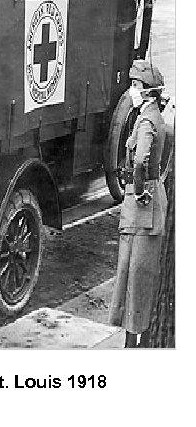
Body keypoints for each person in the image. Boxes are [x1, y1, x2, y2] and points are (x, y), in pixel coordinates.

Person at [109, 60, 168, 348]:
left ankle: (133, 342)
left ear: (147, 91)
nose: (131, 89)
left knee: (135, 275)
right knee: (138, 274)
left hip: (143, 207)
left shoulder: (146, 121)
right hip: (149, 206)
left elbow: (142, 160)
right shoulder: (153, 115)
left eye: (135, 85)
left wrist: (140, 190)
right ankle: (135, 337)